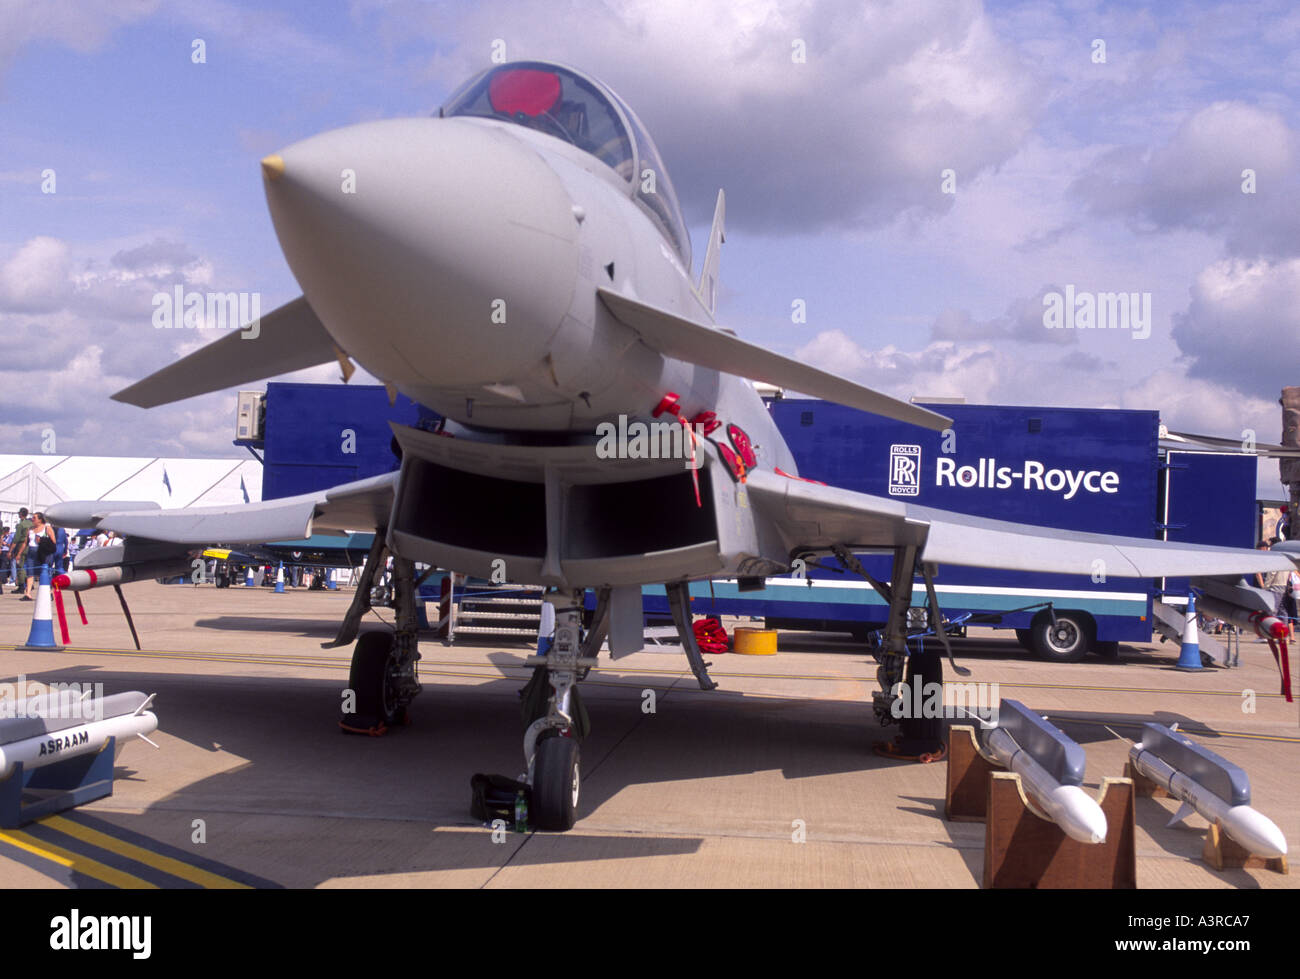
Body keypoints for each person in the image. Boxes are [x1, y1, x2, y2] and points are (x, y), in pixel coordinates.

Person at [23, 512, 56, 601]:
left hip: (43, 552)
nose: (32, 519)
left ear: (40, 519)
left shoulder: (47, 528)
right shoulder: (30, 529)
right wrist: (19, 553)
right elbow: (25, 542)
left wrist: (41, 541)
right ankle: (28, 593)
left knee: (45, 572)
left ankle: (49, 592)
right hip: (31, 551)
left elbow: (53, 542)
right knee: (30, 572)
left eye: (34, 518)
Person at [8, 508, 32, 597]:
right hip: (31, 546)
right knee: (28, 565)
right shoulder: (31, 523)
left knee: (20, 566)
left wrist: (10, 551)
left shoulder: (21, 525)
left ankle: (21, 586)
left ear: (21, 514)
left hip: (21, 545)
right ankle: (29, 583)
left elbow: (16, 539)